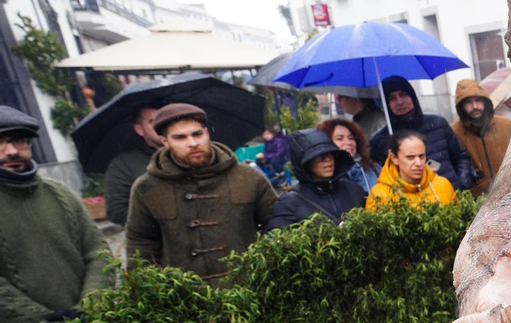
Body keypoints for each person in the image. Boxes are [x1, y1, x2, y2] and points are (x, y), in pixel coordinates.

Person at [125, 103, 277, 286]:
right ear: (165, 142)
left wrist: (262, 269)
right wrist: (150, 290)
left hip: (248, 293)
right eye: (180, 137)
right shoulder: (147, 188)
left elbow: (276, 225)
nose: (192, 143)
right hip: (184, 300)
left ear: (207, 133)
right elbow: (140, 244)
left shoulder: (248, 178)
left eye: (197, 134)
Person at [0, 106, 114, 323]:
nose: (11, 151)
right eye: (0, 143)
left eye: (18, 141)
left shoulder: (60, 194)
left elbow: (98, 253)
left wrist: (89, 308)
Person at [371, 76, 476, 190]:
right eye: (392, 98)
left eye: (403, 94)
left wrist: (463, 184)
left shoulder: (438, 124)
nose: (400, 102)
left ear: (413, 96)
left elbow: (460, 157)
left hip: (453, 196)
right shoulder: (380, 140)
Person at [267, 129, 367, 231]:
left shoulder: (354, 190)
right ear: (305, 162)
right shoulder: (290, 202)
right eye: (318, 155)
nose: (327, 159)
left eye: (330, 153)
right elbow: (277, 240)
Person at [451, 78, 511, 195]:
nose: (475, 106)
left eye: (478, 100)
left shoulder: (506, 126)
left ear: (485, 102)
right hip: (477, 202)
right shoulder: (454, 133)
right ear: (461, 106)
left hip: (510, 195)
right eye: (468, 102)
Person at [366, 130, 458, 210]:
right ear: (394, 158)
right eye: (410, 157)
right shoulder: (379, 195)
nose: (418, 163)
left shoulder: (443, 185)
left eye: (421, 156)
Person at [103, 106, 163, 227]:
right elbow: (116, 210)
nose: (162, 125)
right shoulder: (123, 164)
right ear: (139, 129)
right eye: (153, 121)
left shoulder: (194, 152)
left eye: (166, 119)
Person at [324, 117, 381, 195]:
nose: (348, 142)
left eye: (351, 138)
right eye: (340, 138)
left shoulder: (374, 168)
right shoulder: (325, 175)